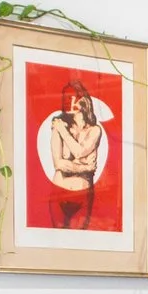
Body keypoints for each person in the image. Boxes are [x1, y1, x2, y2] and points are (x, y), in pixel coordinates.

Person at [34, 81, 110, 229]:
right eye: (65, 97)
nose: (67, 101)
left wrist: (62, 131)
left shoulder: (94, 130)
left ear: (84, 101)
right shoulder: (58, 125)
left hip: (83, 194)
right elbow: (58, 163)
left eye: (72, 97)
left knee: (79, 237)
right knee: (56, 238)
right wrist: (85, 168)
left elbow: (79, 151)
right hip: (58, 192)